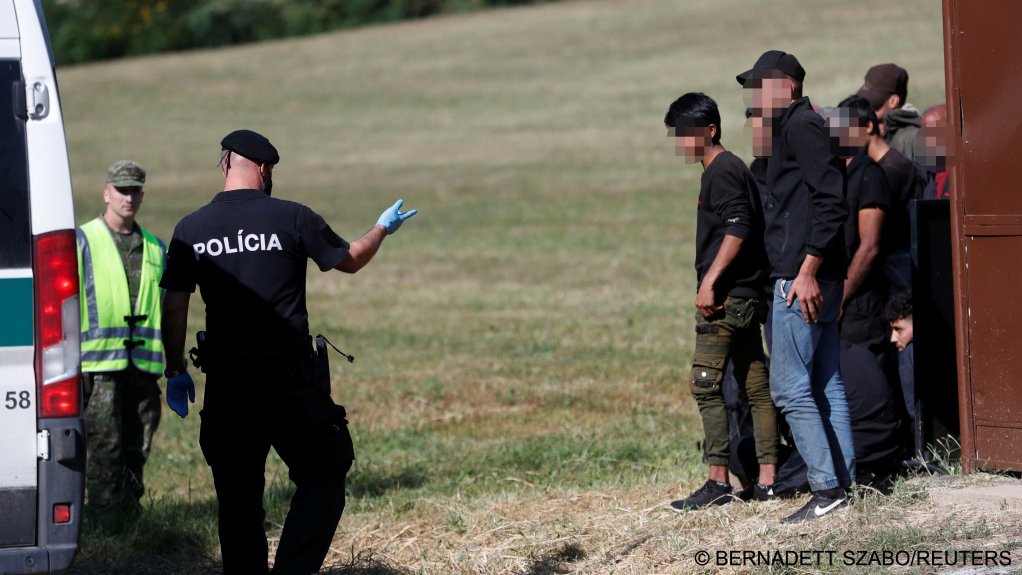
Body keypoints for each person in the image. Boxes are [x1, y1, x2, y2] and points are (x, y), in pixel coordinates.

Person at [159, 129, 417, 575]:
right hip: (288, 381)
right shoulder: (293, 218)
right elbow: (350, 259)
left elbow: (175, 303)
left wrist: (175, 368)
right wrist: (381, 229)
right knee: (324, 473)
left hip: (228, 383)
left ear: (224, 164)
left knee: (238, 499)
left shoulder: (191, 229)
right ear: (263, 168)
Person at [738, 50, 855, 524]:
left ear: (786, 86)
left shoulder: (802, 125)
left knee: (789, 388)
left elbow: (831, 199)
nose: (754, 95)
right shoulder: (796, 128)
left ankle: (826, 488)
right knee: (826, 382)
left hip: (802, 276)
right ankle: (845, 484)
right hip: (815, 272)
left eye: (760, 86)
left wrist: (806, 270)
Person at [663, 93, 778, 510]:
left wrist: (710, 282)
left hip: (727, 299)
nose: (680, 142)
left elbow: (738, 226)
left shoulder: (723, 171)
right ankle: (767, 480)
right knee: (755, 386)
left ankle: (717, 482)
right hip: (744, 296)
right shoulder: (727, 168)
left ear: (710, 130)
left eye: (685, 134)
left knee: (706, 385)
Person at [76, 160, 166, 511]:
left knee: (137, 447)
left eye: (135, 190)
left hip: (143, 366)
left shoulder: (156, 248)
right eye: (122, 190)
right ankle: (103, 527)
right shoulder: (82, 241)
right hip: (98, 368)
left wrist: (173, 366)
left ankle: (130, 522)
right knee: (103, 449)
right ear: (106, 193)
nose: (128, 197)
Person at [855, 63, 921, 162]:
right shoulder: (865, 131)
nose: (867, 108)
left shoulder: (912, 138)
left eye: (873, 104)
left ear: (893, 101)